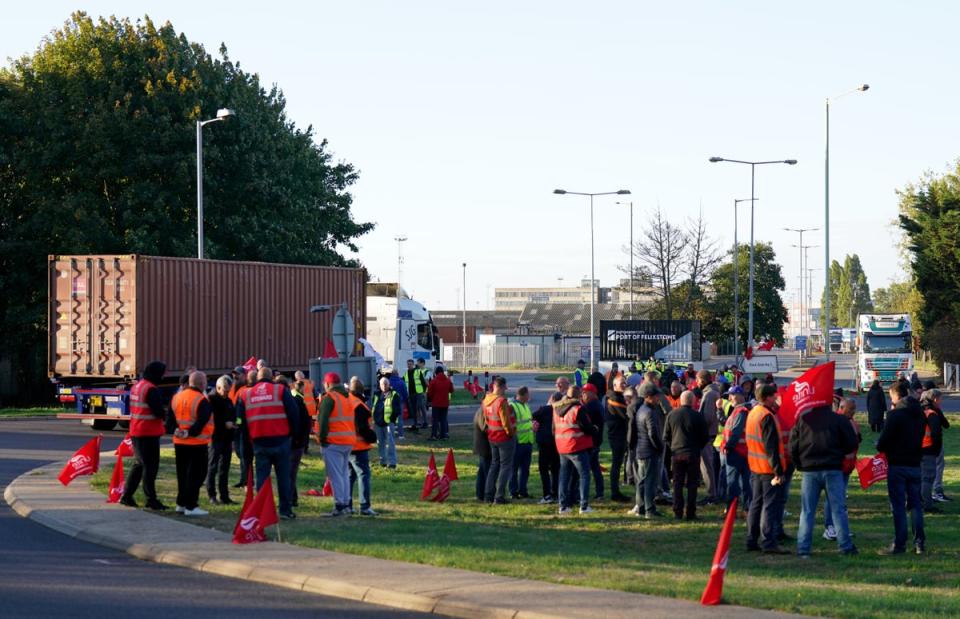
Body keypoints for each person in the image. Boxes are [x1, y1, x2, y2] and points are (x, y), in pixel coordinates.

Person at [789, 398, 859, 558]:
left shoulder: (803, 419)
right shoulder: (839, 420)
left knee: (807, 511)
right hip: (833, 468)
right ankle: (845, 546)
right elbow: (851, 443)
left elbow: (793, 445)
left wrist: (799, 464)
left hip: (810, 469)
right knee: (838, 509)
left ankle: (803, 548)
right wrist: (839, 453)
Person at [236, 366, 300, 520]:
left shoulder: (245, 394)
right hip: (281, 441)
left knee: (262, 479)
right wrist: (292, 435)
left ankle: (261, 510)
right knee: (284, 477)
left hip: (259, 442)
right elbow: (294, 413)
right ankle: (285, 510)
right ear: (271, 378)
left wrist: (244, 438)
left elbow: (239, 420)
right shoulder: (280, 391)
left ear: (257, 378)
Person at [877, 381, 926, 554]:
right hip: (915, 463)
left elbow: (883, 441)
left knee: (898, 505)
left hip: (897, 464)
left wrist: (882, 446)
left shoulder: (895, 415)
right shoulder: (920, 413)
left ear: (895, 395)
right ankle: (919, 543)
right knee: (916, 505)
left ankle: (900, 544)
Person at [745, 384, 790, 554]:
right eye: (773, 396)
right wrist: (778, 471)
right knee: (770, 506)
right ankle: (769, 542)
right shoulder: (767, 416)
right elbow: (771, 447)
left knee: (756, 504)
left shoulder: (753, 413)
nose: (776, 398)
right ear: (767, 398)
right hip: (768, 468)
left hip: (755, 466)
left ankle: (751, 539)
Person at [121, 361, 169, 510]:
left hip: (137, 431)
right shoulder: (151, 389)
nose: (163, 377)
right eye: (162, 374)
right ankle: (151, 500)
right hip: (148, 433)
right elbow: (158, 412)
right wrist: (168, 415)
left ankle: (127, 496)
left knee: (139, 465)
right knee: (150, 467)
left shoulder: (138, 386)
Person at [171, 371, 214, 516]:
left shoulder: (176, 397)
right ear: (202, 384)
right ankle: (191, 506)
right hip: (197, 443)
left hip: (179, 442)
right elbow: (201, 422)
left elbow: (169, 420)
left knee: (182, 474)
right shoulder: (201, 400)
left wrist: (177, 430)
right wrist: (189, 433)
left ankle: (181, 504)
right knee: (198, 475)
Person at [663, 390, 707, 520]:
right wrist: (698, 447)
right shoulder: (698, 416)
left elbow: (666, 436)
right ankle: (691, 512)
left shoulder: (672, 414)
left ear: (681, 401)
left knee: (677, 483)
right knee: (692, 484)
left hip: (677, 453)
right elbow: (704, 437)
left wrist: (673, 447)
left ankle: (678, 511)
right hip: (693, 453)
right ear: (693, 401)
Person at [317, 372, 356, 516]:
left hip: (333, 442)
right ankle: (345, 504)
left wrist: (322, 440)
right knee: (344, 474)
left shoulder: (329, 398)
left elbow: (322, 422)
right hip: (348, 441)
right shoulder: (347, 397)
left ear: (327, 384)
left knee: (335, 476)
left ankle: (339, 505)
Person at [554, 386, 597, 515]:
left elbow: (554, 427)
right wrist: (595, 429)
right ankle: (583, 506)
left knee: (564, 476)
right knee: (584, 475)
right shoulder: (578, 409)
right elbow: (586, 428)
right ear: (579, 396)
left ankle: (563, 506)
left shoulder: (556, 408)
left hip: (562, 446)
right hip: (576, 446)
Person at [824, 397, 861, 541]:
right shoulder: (836, 421)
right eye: (851, 409)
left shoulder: (851, 422)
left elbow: (856, 441)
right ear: (842, 407)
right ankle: (829, 527)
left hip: (847, 466)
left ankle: (840, 527)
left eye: (854, 409)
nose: (853, 412)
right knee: (832, 498)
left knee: (840, 500)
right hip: (837, 466)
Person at [628, 382, 664, 518]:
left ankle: (641, 507)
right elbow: (652, 434)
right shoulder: (650, 412)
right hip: (649, 451)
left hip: (641, 450)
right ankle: (650, 509)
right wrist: (659, 447)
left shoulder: (641, 410)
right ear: (648, 397)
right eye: (656, 397)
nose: (658, 399)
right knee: (650, 481)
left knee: (642, 481)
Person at [482, 376, 516, 504]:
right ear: (501, 387)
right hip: (504, 438)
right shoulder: (501, 401)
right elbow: (506, 421)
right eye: (505, 387)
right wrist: (511, 433)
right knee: (505, 467)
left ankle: (488, 495)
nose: (505, 390)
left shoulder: (486, 400)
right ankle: (499, 496)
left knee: (494, 465)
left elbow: (486, 419)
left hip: (492, 436)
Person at [348, 377, 379, 516]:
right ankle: (364, 506)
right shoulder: (359, 405)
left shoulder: (346, 401)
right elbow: (362, 427)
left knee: (349, 476)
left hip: (346, 444)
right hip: (358, 446)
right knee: (363, 475)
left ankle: (346, 505)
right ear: (362, 390)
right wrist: (373, 437)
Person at [206, 375, 237, 505]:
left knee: (224, 468)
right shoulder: (211, 400)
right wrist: (225, 423)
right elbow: (210, 419)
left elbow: (235, 415)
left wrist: (236, 423)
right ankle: (212, 495)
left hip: (227, 438)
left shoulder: (229, 401)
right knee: (212, 467)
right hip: (215, 438)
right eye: (224, 390)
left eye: (228, 390)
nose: (226, 393)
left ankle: (224, 496)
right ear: (218, 387)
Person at [720, 386, 751, 510]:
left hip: (736, 452)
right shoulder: (738, 410)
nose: (729, 398)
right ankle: (746, 508)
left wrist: (728, 446)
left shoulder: (741, 411)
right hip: (742, 451)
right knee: (744, 483)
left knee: (732, 483)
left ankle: (732, 509)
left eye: (731, 395)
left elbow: (736, 432)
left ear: (739, 395)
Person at [286, 377, 313, 507]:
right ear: (301, 388)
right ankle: (292, 498)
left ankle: (292, 498)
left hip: (294, 442)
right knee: (291, 472)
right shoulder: (298, 400)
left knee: (290, 472)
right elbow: (304, 423)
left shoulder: (293, 399)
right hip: (297, 442)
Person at [696, 370, 722, 505]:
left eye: (697, 379)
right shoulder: (711, 392)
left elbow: (707, 417)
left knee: (706, 465)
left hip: (706, 433)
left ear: (703, 380)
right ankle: (712, 493)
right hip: (710, 433)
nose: (696, 382)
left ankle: (712, 494)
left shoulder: (710, 394)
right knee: (707, 464)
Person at [605, 376, 631, 502]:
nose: (624, 385)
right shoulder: (615, 398)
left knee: (618, 464)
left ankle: (616, 491)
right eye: (621, 383)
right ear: (614, 385)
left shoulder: (617, 397)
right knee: (616, 465)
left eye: (625, 383)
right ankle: (615, 492)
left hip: (620, 435)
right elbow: (627, 415)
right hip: (617, 436)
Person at [532, 394, 560, 503]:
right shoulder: (561, 410)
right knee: (555, 470)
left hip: (544, 443)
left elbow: (533, 416)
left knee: (544, 470)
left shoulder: (545, 409)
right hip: (556, 442)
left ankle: (547, 494)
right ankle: (555, 493)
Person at [919, 389, 944, 513]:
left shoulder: (920, 410)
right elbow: (936, 433)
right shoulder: (931, 413)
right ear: (935, 399)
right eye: (940, 399)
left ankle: (917, 501)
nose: (941, 402)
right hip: (928, 449)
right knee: (928, 478)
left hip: (917, 448)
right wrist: (936, 449)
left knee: (920, 477)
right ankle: (927, 504)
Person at [581, 383, 606, 500]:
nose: (583, 394)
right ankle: (600, 492)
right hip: (596, 440)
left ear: (592, 393)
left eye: (585, 392)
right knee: (595, 467)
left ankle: (581, 494)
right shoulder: (598, 404)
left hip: (591, 441)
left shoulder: (591, 406)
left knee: (585, 469)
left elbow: (585, 422)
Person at [232, 369, 257, 488]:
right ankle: (247, 480)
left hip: (244, 430)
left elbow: (239, 413)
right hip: (257, 429)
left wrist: (237, 426)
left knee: (244, 456)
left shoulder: (243, 392)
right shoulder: (260, 392)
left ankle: (245, 480)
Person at [509, 386, 535, 499]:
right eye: (528, 394)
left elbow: (528, 421)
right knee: (514, 469)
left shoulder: (526, 406)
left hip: (528, 441)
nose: (530, 397)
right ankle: (513, 491)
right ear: (523, 394)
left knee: (525, 469)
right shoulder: (513, 406)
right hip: (518, 442)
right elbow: (512, 424)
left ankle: (523, 490)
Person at [372, 377, 401, 468]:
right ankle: (383, 462)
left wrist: (391, 420)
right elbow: (373, 407)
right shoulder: (376, 395)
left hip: (389, 423)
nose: (384, 386)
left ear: (389, 384)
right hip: (378, 423)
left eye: (386, 384)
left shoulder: (394, 394)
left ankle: (392, 463)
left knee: (390, 444)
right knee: (380, 443)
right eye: (382, 384)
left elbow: (397, 410)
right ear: (379, 385)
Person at [426, 366, 454, 440]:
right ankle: (443, 435)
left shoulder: (434, 381)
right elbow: (451, 390)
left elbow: (429, 393)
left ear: (436, 372)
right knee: (443, 419)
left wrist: (432, 399)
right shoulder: (448, 380)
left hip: (436, 403)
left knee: (435, 419)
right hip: (445, 403)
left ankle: (434, 435)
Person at [473, 404, 491, 501]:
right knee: (486, 471)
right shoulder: (482, 412)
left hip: (484, 446)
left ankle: (480, 493)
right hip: (484, 446)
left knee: (483, 471)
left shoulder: (483, 410)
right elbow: (484, 427)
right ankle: (485, 494)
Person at [404, 359, 429, 432]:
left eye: (410, 364)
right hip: (411, 394)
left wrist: (424, 391)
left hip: (419, 393)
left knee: (421, 407)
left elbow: (423, 382)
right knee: (414, 409)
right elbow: (404, 381)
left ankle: (425, 422)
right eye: (408, 364)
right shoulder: (406, 373)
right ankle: (415, 423)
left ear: (413, 364)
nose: (409, 365)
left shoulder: (418, 371)